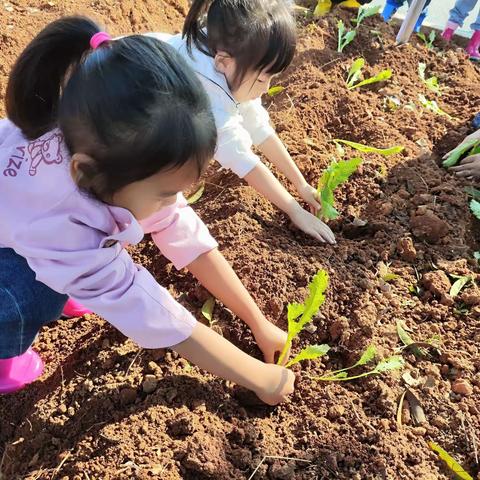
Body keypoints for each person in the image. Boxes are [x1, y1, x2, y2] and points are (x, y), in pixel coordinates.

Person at [0, 16, 295, 404]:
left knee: (67, 270)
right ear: (88, 172)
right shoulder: (61, 223)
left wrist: (257, 321)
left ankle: (61, 284)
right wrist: (260, 378)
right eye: (165, 192)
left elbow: (179, 228)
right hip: (16, 247)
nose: (172, 202)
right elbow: (144, 307)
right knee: (27, 297)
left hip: (21, 223)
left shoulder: (105, 149)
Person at [149, 0, 336, 245]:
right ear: (223, 62)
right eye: (261, 79)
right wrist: (294, 210)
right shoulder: (204, 98)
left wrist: (300, 184)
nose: (267, 88)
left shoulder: (231, 50)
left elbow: (256, 123)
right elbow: (242, 158)